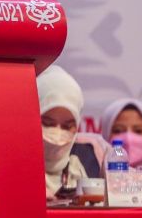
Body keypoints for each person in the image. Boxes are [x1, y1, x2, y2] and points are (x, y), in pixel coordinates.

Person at [37, 65, 103, 202]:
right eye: (48, 124)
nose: (57, 134)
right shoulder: (11, 165)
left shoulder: (90, 158)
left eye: (67, 126)